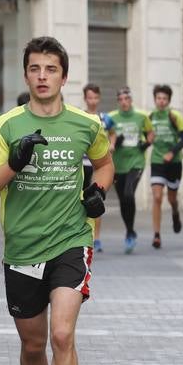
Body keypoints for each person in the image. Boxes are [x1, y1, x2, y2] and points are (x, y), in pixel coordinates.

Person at [0, 37, 112, 365]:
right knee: (33, 344)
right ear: (26, 74)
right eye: (35, 69)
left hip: (71, 240)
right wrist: (14, 164)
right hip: (23, 249)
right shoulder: (5, 127)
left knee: (62, 336)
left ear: (63, 76)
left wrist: (98, 192)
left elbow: (105, 164)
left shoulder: (86, 124)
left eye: (51, 69)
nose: (42, 77)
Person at [107, 87, 154, 255]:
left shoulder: (142, 116)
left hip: (136, 162)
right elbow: (105, 138)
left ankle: (130, 232)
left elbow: (150, 133)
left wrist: (146, 144)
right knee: (123, 200)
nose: (124, 102)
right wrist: (114, 143)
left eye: (127, 99)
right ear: (118, 101)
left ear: (131, 100)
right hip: (118, 164)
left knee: (128, 194)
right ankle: (130, 230)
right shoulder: (111, 117)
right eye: (120, 99)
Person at [148, 84, 183, 249]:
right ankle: (157, 235)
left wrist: (172, 152)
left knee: (172, 198)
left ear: (169, 100)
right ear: (155, 99)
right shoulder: (150, 117)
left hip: (174, 162)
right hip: (157, 161)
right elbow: (147, 137)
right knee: (157, 197)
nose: (161, 101)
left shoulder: (175, 116)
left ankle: (175, 211)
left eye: (164, 98)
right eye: (159, 98)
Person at [81, 83, 116, 252]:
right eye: (89, 98)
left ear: (99, 98)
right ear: (85, 99)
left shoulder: (105, 118)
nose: (92, 101)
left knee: (96, 200)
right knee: (79, 201)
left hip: (97, 166)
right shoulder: (80, 117)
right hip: (82, 165)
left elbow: (114, 132)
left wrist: (112, 145)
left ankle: (97, 238)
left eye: (95, 97)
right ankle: (80, 235)